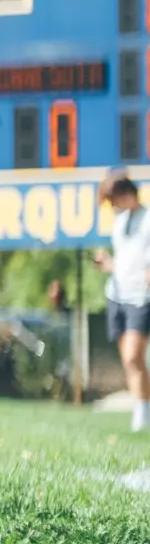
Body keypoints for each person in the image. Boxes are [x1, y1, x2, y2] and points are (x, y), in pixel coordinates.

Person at [96, 171, 150, 431]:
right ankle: (141, 408)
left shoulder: (148, 219)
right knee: (128, 360)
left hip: (140, 297)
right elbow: (124, 262)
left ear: (125, 194)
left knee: (133, 357)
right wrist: (108, 264)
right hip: (117, 294)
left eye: (113, 199)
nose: (112, 205)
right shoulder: (119, 223)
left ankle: (143, 412)